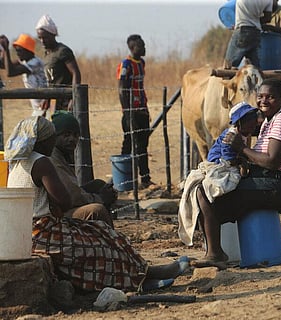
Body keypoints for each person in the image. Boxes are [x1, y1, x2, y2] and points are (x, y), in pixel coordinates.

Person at [5, 116, 189, 292]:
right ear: (42, 140)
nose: (53, 144)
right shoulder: (42, 162)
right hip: (43, 232)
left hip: (28, 232)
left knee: (100, 233)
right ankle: (137, 281)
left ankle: (144, 274)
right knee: (100, 244)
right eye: (52, 139)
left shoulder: (18, 161)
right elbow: (65, 200)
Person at [193, 78, 281, 265]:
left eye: (271, 97)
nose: (264, 101)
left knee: (205, 192)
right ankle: (215, 250)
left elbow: (273, 162)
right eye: (260, 97)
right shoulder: (269, 121)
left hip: (277, 186)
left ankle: (215, 253)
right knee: (205, 188)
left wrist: (241, 148)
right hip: (268, 181)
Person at [178, 101, 259, 246]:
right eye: (250, 121)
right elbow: (227, 159)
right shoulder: (231, 136)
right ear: (239, 123)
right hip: (218, 163)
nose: (254, 124)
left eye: (255, 120)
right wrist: (242, 162)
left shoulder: (244, 134)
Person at [50, 110, 117, 227]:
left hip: (61, 206)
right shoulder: (52, 157)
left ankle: (99, 236)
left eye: (75, 135)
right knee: (97, 210)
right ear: (55, 137)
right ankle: (111, 240)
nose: (72, 139)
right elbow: (72, 195)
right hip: (52, 215)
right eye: (66, 135)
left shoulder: (64, 154)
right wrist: (100, 199)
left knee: (98, 185)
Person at [117, 34, 155, 190]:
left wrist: (145, 109)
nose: (145, 48)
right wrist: (127, 112)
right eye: (142, 46)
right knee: (128, 144)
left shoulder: (142, 63)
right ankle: (124, 180)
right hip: (131, 111)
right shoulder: (126, 64)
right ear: (133, 48)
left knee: (143, 145)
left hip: (142, 110)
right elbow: (121, 89)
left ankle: (145, 179)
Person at [35, 14, 81, 111]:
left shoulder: (62, 51)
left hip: (66, 99)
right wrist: (47, 98)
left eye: (45, 37)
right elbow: (51, 81)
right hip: (55, 101)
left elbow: (75, 73)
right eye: (40, 38)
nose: (42, 41)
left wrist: (74, 97)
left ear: (53, 35)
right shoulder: (47, 54)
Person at [0, 33, 48, 116]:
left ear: (28, 51)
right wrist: (3, 50)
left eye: (19, 50)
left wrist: (6, 49)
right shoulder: (25, 61)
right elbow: (3, 65)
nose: (17, 53)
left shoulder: (35, 63)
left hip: (43, 107)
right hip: (38, 107)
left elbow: (10, 72)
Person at [224, 0, 273, 68]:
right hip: (256, 32)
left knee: (229, 65)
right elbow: (268, 18)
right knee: (254, 68)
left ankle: (227, 77)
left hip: (242, 31)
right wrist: (253, 20)